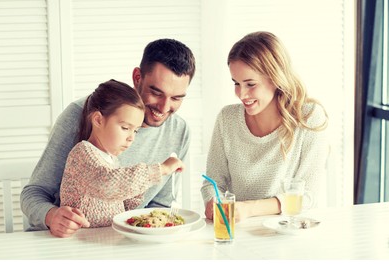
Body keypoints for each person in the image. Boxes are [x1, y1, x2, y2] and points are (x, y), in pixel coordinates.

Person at [21, 38, 195, 237]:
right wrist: (51, 216)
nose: (164, 108)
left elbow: (158, 207)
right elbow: (33, 193)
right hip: (62, 241)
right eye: (156, 93)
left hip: (117, 241)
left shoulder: (179, 130)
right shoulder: (81, 114)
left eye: (176, 98)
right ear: (137, 77)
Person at [201, 31, 328, 222]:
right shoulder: (227, 119)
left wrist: (249, 208)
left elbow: (308, 196)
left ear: (275, 78)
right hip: (239, 229)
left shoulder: (309, 117)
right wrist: (213, 201)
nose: (241, 94)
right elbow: (213, 182)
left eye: (250, 84)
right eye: (236, 83)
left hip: (287, 230)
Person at [59, 79, 184, 229]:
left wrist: (137, 191)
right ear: (98, 120)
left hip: (108, 239)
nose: (132, 137)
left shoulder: (112, 160)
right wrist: (160, 169)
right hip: (82, 241)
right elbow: (106, 185)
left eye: (135, 130)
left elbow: (121, 205)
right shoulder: (82, 153)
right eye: (125, 128)